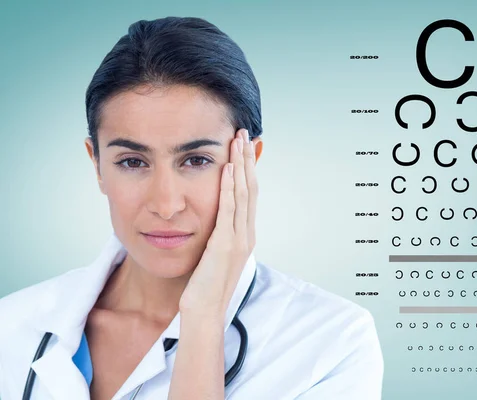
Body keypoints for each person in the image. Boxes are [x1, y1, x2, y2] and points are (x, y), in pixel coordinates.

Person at [0, 16, 384, 399]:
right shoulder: (12, 326)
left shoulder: (332, 344)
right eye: (133, 162)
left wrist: (203, 320)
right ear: (97, 165)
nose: (166, 205)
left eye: (196, 160)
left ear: (248, 161)